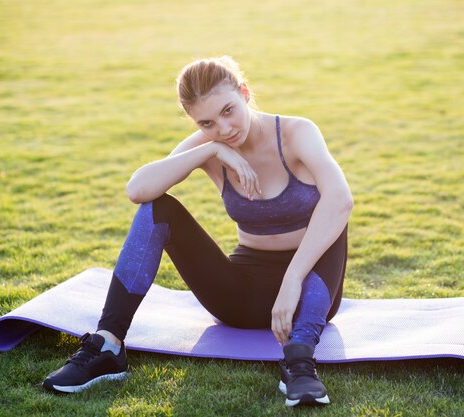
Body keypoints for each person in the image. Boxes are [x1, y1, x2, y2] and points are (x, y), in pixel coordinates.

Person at [42, 56, 353, 407]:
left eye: (228, 111)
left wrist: (293, 278)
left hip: (309, 291)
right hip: (242, 297)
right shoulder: (211, 144)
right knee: (158, 208)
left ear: (245, 93)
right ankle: (108, 345)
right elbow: (138, 189)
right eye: (207, 122)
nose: (224, 128)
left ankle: (300, 361)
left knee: (331, 213)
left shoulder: (297, 133)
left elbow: (341, 200)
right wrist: (211, 150)